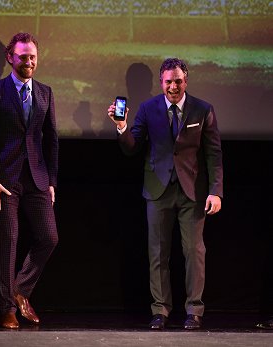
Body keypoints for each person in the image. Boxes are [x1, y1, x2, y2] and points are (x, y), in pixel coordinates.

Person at [107, 58, 223, 330]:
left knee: (194, 252)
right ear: (161, 83)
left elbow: (214, 155)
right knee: (158, 254)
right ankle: (160, 310)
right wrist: (122, 126)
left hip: (192, 193)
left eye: (178, 81)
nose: (173, 86)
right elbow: (132, 147)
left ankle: (194, 311)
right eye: (168, 82)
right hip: (158, 191)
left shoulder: (203, 110)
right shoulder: (148, 109)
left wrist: (216, 191)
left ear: (186, 81)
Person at [0, 32, 59, 329]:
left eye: (32, 56)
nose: (29, 61)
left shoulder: (45, 92)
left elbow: (52, 141)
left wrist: (52, 181)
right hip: (5, 180)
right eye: (23, 56)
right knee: (8, 241)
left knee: (49, 237)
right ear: (11, 58)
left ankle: (20, 291)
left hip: (36, 178)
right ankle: (7, 308)